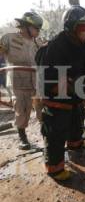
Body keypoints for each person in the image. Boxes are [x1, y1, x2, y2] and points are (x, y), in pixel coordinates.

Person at [38, 6, 85, 181]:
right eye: (84, 27)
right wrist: (78, 87)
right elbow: (49, 79)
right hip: (57, 101)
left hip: (76, 99)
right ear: (72, 28)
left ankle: (75, 144)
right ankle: (55, 168)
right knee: (56, 133)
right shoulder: (55, 47)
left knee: (77, 120)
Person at [0, 12, 43, 150]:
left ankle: (47, 135)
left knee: (43, 109)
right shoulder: (8, 38)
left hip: (36, 81)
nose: (38, 31)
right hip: (18, 81)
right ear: (27, 26)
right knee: (22, 109)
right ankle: (22, 138)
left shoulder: (39, 42)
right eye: (36, 28)